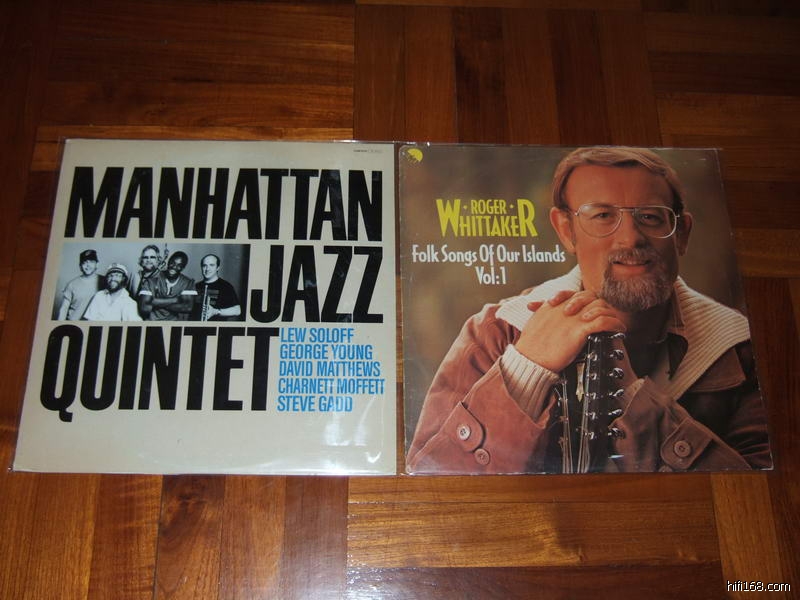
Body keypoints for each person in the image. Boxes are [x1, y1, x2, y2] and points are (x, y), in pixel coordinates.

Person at [407, 147, 771, 474]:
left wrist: (630, 396)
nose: (630, 238)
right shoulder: (495, 331)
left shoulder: (740, 348)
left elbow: (756, 500)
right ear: (566, 231)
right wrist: (525, 371)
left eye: (650, 217)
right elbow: (431, 481)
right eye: (602, 216)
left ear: (682, 233)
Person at [138, 251, 196, 321]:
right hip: (152, 322)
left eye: (179, 265)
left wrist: (155, 302)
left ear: (183, 268)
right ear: (168, 262)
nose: (174, 267)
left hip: (174, 324)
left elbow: (187, 308)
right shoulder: (153, 278)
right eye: (172, 263)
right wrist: (175, 300)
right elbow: (145, 308)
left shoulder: (187, 282)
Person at [191, 254, 242, 321]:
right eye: (204, 265)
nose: (207, 269)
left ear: (218, 267)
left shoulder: (226, 286)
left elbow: (237, 311)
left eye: (211, 265)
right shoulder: (196, 286)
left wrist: (215, 311)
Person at [57, 249, 104, 320]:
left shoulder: (105, 281)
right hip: (74, 324)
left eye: (91, 262)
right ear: (80, 266)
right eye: (84, 262)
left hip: (95, 324)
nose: (88, 265)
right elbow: (64, 308)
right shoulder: (72, 284)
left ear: (97, 264)